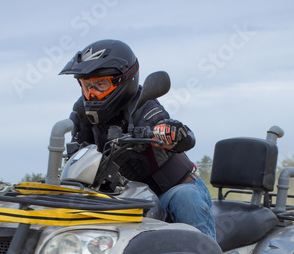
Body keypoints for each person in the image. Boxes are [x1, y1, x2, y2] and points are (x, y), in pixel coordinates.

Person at [59, 38, 216, 239]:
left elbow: (182, 135)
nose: (92, 94)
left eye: (100, 85)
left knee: (186, 199)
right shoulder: (83, 113)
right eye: (86, 85)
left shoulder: (145, 107)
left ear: (124, 80)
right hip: (127, 197)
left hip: (170, 191)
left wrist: (170, 132)